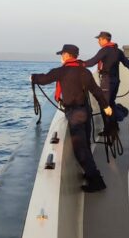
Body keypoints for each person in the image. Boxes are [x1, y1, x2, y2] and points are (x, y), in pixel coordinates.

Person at [31, 44, 113, 192]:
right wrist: (106, 106)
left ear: (68, 55)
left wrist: (33, 77)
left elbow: (44, 79)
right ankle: (91, 174)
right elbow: (96, 91)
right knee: (86, 145)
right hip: (85, 111)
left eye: (62, 54)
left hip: (75, 113)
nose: (61, 57)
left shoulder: (61, 71)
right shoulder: (85, 72)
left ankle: (97, 181)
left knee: (80, 149)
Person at [83, 31, 129, 136]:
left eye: (99, 39)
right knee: (111, 103)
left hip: (107, 81)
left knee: (104, 105)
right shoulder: (118, 51)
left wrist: (78, 64)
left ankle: (108, 130)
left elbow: (92, 62)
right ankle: (114, 126)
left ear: (105, 40)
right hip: (116, 81)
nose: (98, 42)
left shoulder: (104, 50)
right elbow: (128, 64)